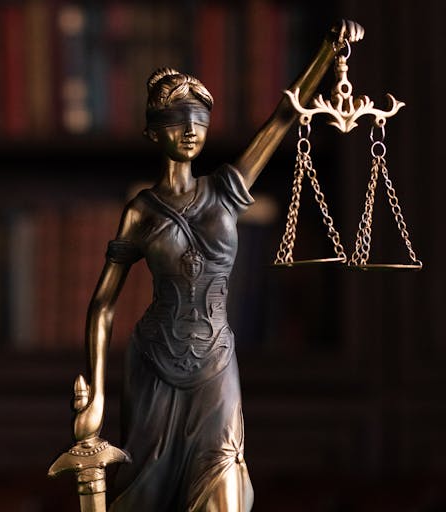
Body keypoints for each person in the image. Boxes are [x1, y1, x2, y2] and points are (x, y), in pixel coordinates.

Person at [70, 20, 365, 512]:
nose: (190, 131)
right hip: (153, 365)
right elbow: (103, 303)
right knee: (149, 495)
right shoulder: (141, 210)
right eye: (176, 121)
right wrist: (96, 396)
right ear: (151, 131)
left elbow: (282, 117)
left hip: (215, 363)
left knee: (223, 493)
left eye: (199, 122)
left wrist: (327, 53)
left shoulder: (226, 189)